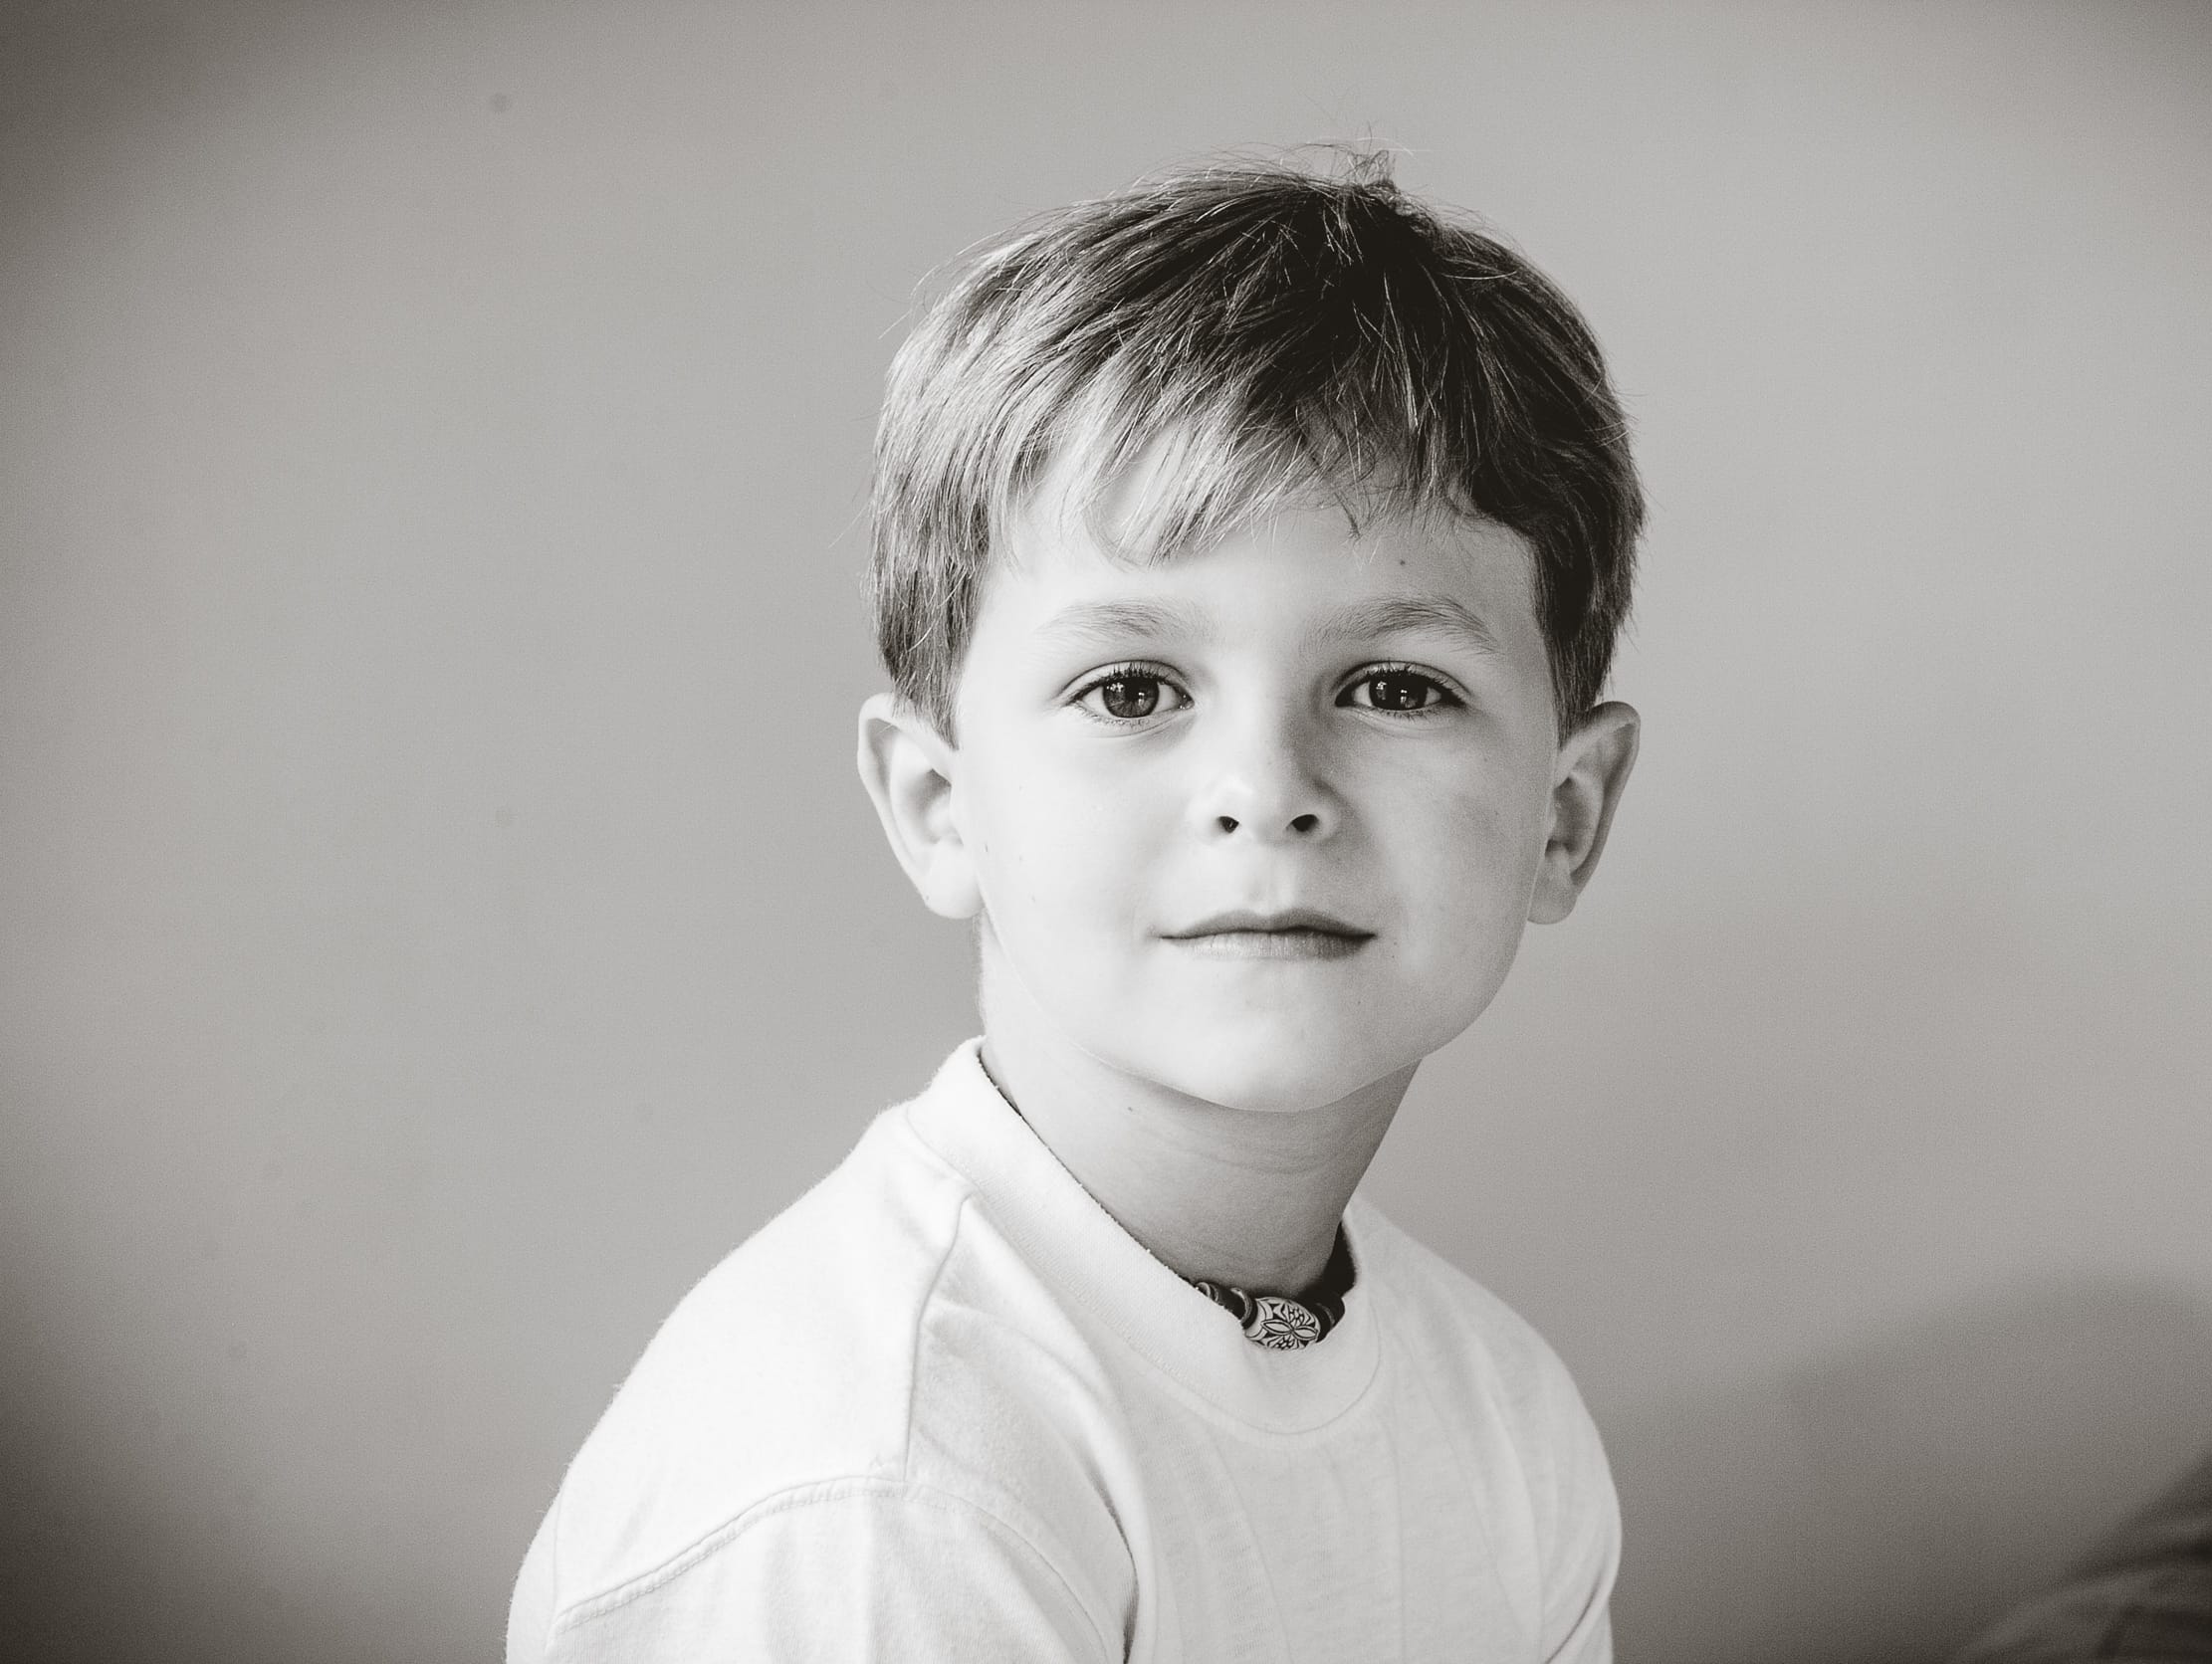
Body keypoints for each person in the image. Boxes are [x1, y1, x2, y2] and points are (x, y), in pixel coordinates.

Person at [507, 151, 1646, 1663]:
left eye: (1392, 686)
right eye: (1131, 687)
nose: (1265, 787)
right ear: (938, 805)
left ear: (1562, 819)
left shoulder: (1502, 1418)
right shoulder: (879, 1494)